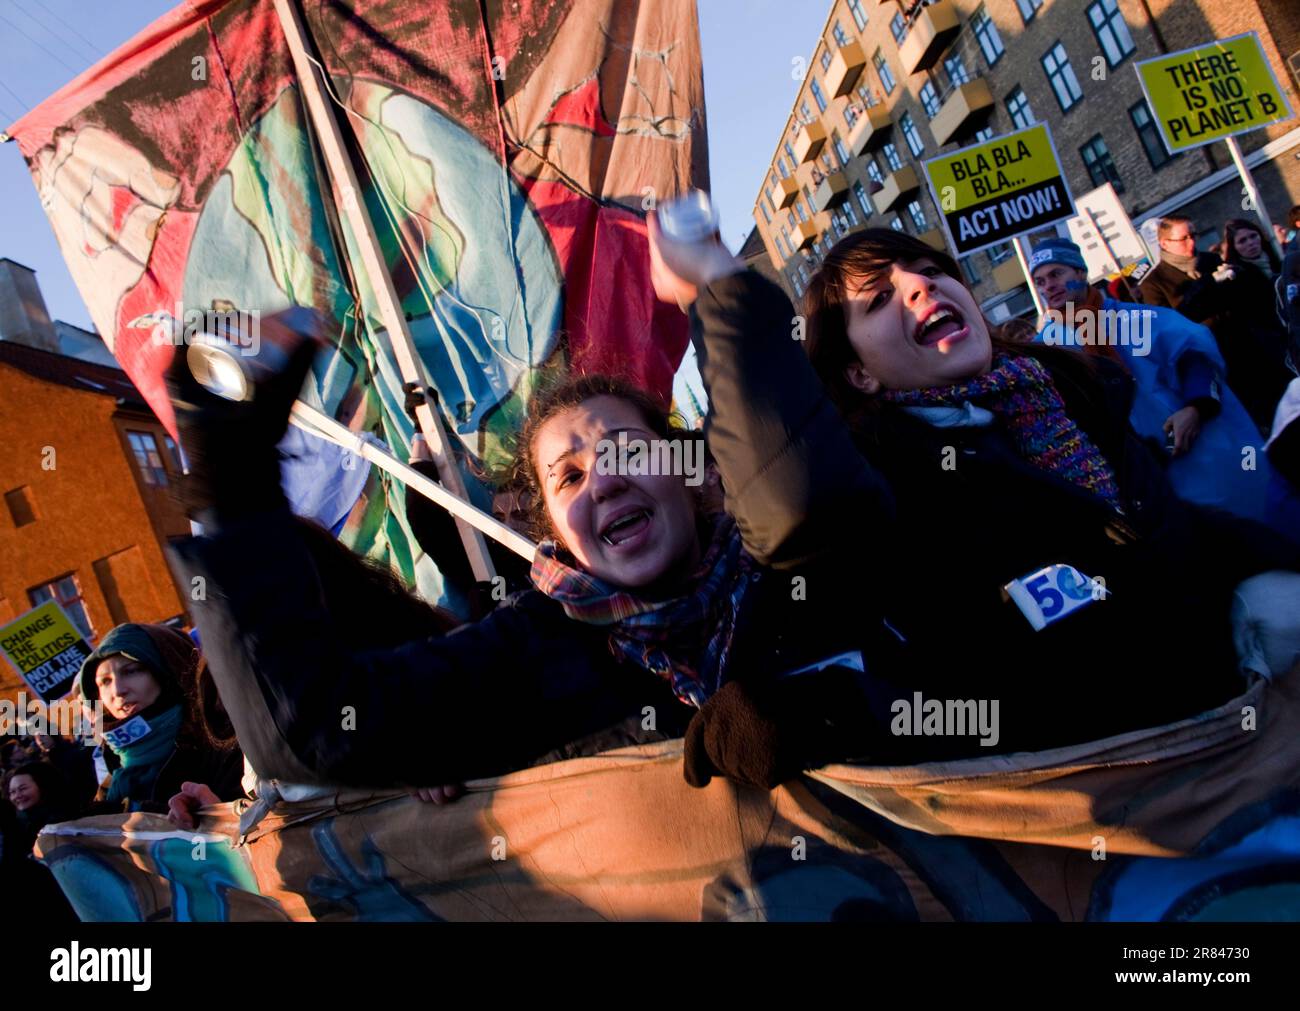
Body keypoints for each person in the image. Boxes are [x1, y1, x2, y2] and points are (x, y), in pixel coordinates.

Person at [162, 303, 895, 792]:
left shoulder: (797, 564)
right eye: (568, 476)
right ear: (553, 529)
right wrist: (232, 476)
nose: (603, 480)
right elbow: (313, 730)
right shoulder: (532, 649)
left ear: (687, 470)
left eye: (627, 450)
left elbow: (949, 686)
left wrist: (835, 712)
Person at [650, 222, 1300, 756]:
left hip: (1243, 741)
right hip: (1111, 802)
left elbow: (1163, 533)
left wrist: (1274, 561)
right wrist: (720, 294)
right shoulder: (889, 482)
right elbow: (799, 505)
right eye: (878, 298)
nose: (919, 285)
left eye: (928, 269)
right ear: (860, 374)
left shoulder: (1075, 397)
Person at [1030, 237, 1288, 532]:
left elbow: (1196, 357)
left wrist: (1195, 407)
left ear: (1080, 272)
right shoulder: (1045, 350)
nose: (1049, 286)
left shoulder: (1138, 319)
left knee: (1255, 530)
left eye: (1056, 273)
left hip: (1197, 453)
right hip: (1136, 479)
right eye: (1040, 281)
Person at [78, 623, 244, 814]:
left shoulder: (227, 744)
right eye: (105, 681)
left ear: (168, 671)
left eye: (131, 671)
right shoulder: (111, 779)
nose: (117, 691)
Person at [1213, 218, 1293, 429]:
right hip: (1272, 350)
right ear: (1234, 247)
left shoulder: (1280, 261)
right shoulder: (1237, 277)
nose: (1250, 243)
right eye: (1242, 241)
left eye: (1253, 236)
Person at [1138, 214, 1224, 313]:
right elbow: (1168, 320)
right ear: (1164, 244)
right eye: (1183, 239)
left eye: (1193, 236)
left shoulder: (1212, 259)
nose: (1191, 242)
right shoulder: (1153, 284)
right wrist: (1202, 286)